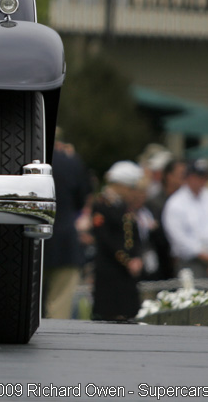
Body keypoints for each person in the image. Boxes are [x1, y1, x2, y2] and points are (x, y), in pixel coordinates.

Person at [90, 161, 147, 322]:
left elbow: (134, 235)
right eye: (130, 189)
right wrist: (127, 261)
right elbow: (105, 239)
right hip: (110, 271)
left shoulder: (123, 206)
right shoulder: (101, 205)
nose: (133, 193)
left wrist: (137, 256)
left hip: (126, 274)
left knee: (130, 314)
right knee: (110, 315)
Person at [42, 135, 91, 319]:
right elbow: (81, 201)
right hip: (64, 242)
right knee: (59, 305)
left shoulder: (23, 161)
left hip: (30, 241)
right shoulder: (71, 163)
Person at [162, 159, 208, 280]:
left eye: (204, 176)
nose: (201, 180)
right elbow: (178, 237)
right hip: (192, 263)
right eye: (197, 176)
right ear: (188, 177)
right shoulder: (175, 203)